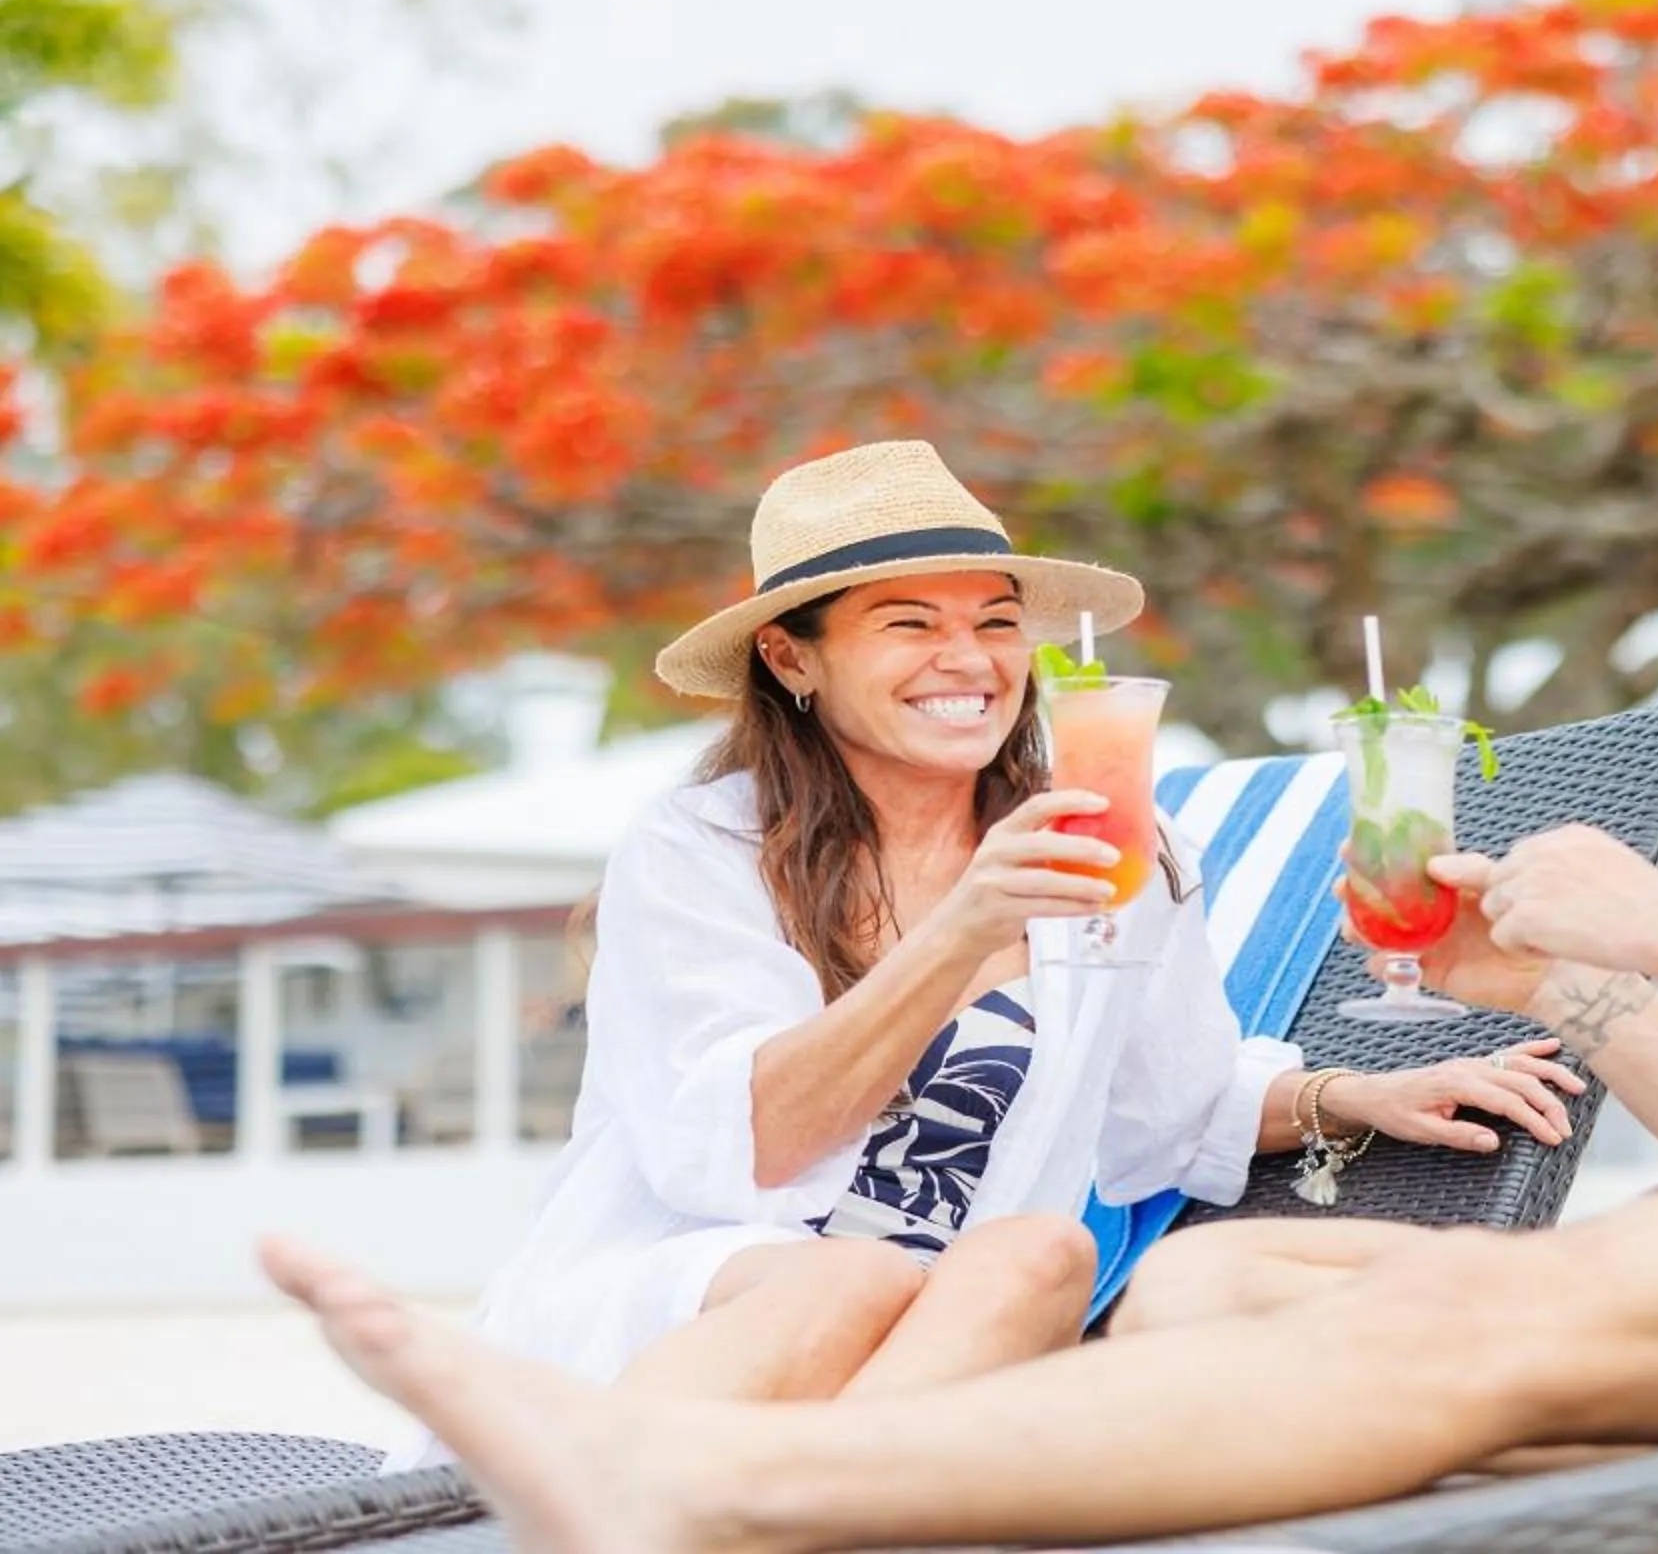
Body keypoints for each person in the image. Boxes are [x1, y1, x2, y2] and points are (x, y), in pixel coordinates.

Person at [265, 287, 1658, 1553]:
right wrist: (1568, 980)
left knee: (1461, 1308)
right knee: (1225, 1285)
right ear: (796, 662)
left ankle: (731, 1495)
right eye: (902, 621)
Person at [422, 440, 1583, 1439]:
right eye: (909, 622)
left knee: (1044, 1256)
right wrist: (961, 931)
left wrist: (1355, 1093)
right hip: (701, 1295)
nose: (969, 659)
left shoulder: (1110, 841)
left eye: (995, 620)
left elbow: (1167, 1112)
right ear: (792, 657)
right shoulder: (704, 846)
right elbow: (736, 1152)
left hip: (937, 1334)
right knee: (856, 1273)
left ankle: (797, 1509)